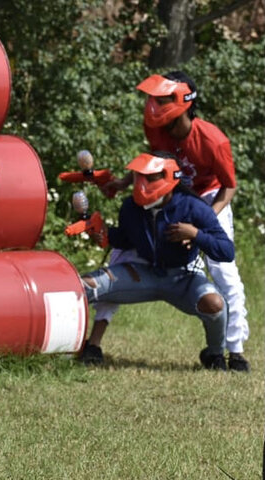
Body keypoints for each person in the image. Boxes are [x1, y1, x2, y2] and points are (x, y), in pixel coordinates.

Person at [84, 70, 250, 372]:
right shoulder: (156, 127)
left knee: (223, 271)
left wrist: (202, 225)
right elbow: (154, 160)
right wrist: (123, 183)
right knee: (123, 253)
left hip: (208, 196)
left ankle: (234, 351)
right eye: (153, 99)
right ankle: (93, 343)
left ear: (182, 101)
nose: (153, 105)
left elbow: (229, 186)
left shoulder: (213, 140)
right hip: (169, 193)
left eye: (161, 99)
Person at [79, 151, 234, 370]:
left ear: (170, 176)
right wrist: (104, 235)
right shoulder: (130, 207)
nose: (142, 183)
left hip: (184, 277)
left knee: (215, 305)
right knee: (86, 285)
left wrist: (195, 234)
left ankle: (215, 355)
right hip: (142, 273)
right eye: (139, 176)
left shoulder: (193, 206)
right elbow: (124, 239)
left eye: (151, 177)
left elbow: (227, 251)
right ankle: (67, 343)